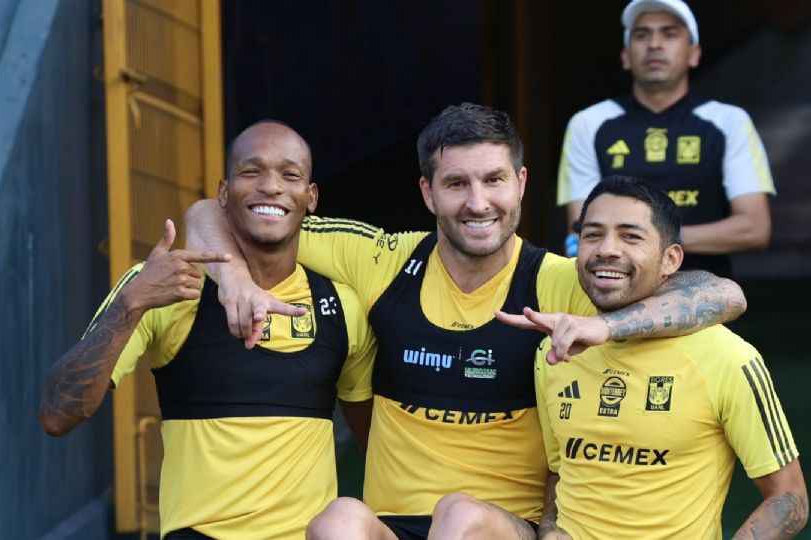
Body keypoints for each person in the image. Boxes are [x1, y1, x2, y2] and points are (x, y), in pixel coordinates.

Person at [186, 103, 748, 540]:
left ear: (522, 183)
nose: (479, 202)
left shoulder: (561, 280)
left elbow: (719, 292)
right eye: (457, 184)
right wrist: (232, 275)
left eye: (494, 180)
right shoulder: (382, 259)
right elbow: (212, 210)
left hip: (503, 527)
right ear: (428, 193)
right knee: (337, 522)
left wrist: (609, 326)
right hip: (396, 522)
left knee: (458, 517)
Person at [39, 121, 377, 539]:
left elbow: (374, 447)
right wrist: (133, 302)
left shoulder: (341, 306)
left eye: (290, 175)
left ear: (310, 197)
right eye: (251, 172)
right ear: (223, 193)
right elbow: (58, 413)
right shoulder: (163, 285)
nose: (271, 186)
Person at [502, 176, 807, 539]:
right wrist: (550, 528)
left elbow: (789, 497)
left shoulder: (728, 357)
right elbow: (561, 471)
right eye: (593, 234)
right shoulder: (553, 352)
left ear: (671, 260)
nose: (606, 250)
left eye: (630, 236)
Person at [556, 0, 775, 278]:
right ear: (625, 55)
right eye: (642, 35)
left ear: (694, 54)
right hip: (615, 294)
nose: (654, 44)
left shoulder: (730, 122)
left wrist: (651, 241)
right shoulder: (588, 123)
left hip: (704, 296)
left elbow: (754, 229)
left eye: (669, 34)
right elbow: (580, 231)